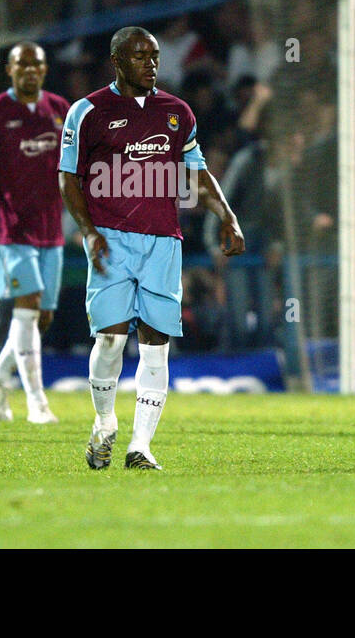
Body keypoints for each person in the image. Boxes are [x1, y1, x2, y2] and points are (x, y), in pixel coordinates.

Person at [59, 26, 245, 470]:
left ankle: (140, 446)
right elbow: (68, 177)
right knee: (109, 340)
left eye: (155, 56)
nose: (151, 64)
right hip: (110, 240)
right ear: (118, 61)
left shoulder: (177, 112)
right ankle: (104, 425)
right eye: (140, 57)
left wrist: (228, 216)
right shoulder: (86, 112)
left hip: (164, 242)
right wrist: (88, 230)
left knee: (156, 344)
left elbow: (197, 175)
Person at [0, 42, 69, 424]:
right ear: (9, 70)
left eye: (37, 64)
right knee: (28, 306)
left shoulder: (61, 110)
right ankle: (37, 403)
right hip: (12, 228)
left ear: (45, 71)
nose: (30, 70)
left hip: (52, 229)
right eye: (22, 64)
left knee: (41, 317)